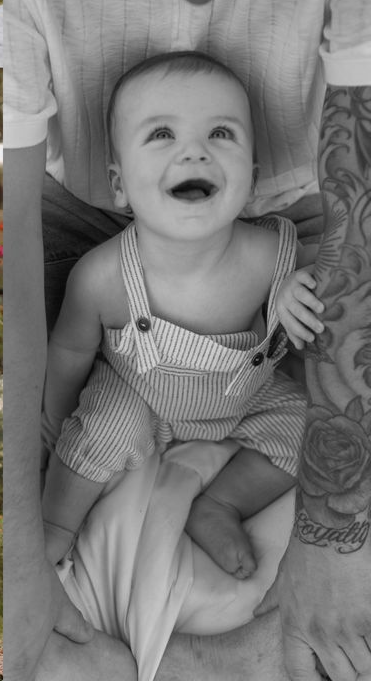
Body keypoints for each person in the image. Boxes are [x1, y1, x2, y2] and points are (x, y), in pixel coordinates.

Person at [4, 0, 371, 679]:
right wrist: (21, 555)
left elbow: (359, 209)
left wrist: (336, 531)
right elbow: (4, 266)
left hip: (301, 200)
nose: (203, 3)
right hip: (75, 201)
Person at [42, 52, 319, 577]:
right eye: (162, 135)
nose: (194, 152)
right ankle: (55, 530)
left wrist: (298, 290)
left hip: (247, 399)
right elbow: (70, 349)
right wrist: (56, 421)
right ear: (119, 184)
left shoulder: (272, 256)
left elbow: (331, 282)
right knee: (100, 432)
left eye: (221, 134)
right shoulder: (103, 276)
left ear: (252, 179)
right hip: (138, 398)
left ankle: (221, 505)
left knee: (313, 427)